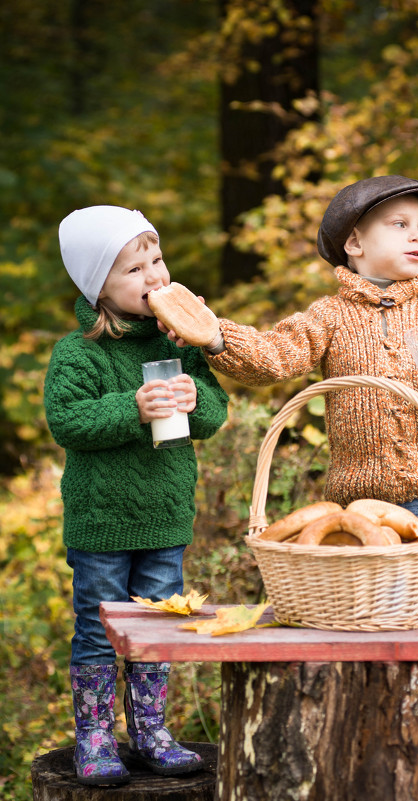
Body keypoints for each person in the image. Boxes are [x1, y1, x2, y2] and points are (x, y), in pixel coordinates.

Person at [161, 175, 418, 597]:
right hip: (361, 510)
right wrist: (217, 336)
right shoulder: (329, 315)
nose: (417, 237)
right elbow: (273, 358)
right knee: (371, 611)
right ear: (354, 244)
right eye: (400, 225)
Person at [44, 206, 228, 786]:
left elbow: (217, 412)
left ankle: (151, 731)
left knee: (156, 626)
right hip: (102, 522)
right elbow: (67, 420)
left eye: (157, 260)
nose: (153, 277)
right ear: (98, 287)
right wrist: (133, 407)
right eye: (133, 269)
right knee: (99, 627)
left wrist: (196, 400)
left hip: (165, 517)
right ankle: (96, 737)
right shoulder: (80, 353)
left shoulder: (183, 340)